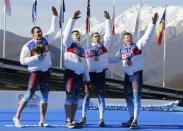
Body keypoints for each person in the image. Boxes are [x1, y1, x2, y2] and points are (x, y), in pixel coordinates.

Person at [109, 13, 159, 129]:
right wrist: (99, 58)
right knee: (128, 98)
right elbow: (114, 59)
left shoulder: (138, 46)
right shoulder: (121, 50)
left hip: (136, 75)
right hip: (127, 76)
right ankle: (131, 118)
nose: (129, 38)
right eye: (127, 37)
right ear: (123, 39)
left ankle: (136, 121)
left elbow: (147, 36)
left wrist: (152, 23)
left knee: (136, 98)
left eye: (130, 37)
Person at [13, 7, 59, 128]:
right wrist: (36, 58)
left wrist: (55, 16)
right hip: (35, 73)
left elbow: (54, 30)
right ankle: (16, 117)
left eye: (40, 31)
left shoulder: (45, 40)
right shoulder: (28, 46)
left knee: (45, 97)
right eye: (37, 32)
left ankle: (42, 120)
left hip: (46, 72)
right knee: (28, 95)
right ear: (32, 34)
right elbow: (22, 61)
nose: (40, 33)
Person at [79, 11, 112, 127]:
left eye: (98, 36)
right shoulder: (87, 50)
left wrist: (108, 21)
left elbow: (108, 36)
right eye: (95, 36)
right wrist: (85, 77)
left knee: (101, 97)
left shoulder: (104, 47)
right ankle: (83, 118)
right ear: (91, 38)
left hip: (101, 75)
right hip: (90, 76)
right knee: (87, 96)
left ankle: (101, 119)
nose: (97, 38)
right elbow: (84, 64)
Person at [62, 10, 90, 129]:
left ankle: (72, 120)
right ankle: (68, 120)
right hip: (70, 74)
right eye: (75, 34)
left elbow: (85, 65)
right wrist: (72, 20)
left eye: (79, 34)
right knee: (69, 97)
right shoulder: (68, 43)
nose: (78, 35)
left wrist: (87, 79)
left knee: (75, 99)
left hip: (79, 76)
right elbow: (67, 33)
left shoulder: (82, 49)